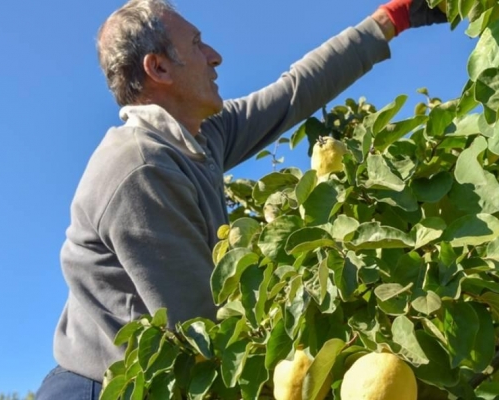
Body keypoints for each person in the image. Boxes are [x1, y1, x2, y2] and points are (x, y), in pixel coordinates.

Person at [35, 0, 447, 398]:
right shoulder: (141, 168)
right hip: (99, 388)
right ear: (158, 67)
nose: (215, 57)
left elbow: (292, 94)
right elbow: (201, 328)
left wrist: (389, 20)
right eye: (197, 44)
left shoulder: (197, 137)